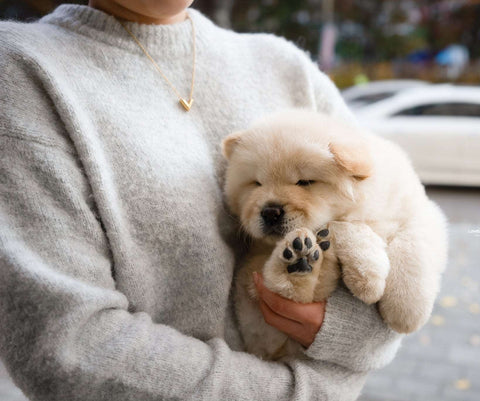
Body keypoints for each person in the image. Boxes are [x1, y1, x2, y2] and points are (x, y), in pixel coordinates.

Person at [0, 1, 402, 400]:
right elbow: (70, 345)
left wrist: (353, 335)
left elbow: (399, 234)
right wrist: (314, 392)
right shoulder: (23, 68)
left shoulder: (285, 66)